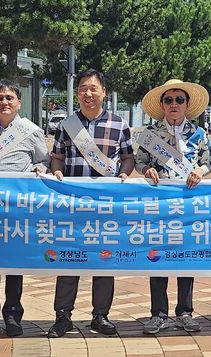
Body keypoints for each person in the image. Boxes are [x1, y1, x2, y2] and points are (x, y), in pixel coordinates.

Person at [47, 69, 135, 338]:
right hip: (73, 204)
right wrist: (56, 172)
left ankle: (101, 315)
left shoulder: (120, 124)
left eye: (93, 88)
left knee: (104, 258)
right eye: (83, 88)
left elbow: (129, 158)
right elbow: (57, 157)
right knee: (69, 258)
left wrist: (124, 173)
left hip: (106, 204)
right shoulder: (67, 125)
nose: (88, 93)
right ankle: (63, 316)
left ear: (104, 92)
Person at [0, 80, 49, 337]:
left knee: (15, 264)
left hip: (18, 209)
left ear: (18, 102)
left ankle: (13, 316)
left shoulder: (31, 130)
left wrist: (41, 168)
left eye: (9, 98)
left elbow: (43, 160)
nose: (4, 102)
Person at [135, 79, 211, 334]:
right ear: (162, 105)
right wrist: (146, 170)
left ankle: (185, 312)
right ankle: (158, 313)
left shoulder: (199, 134)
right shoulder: (150, 134)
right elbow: (139, 162)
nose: (174, 104)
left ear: (187, 104)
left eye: (179, 99)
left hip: (188, 204)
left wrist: (200, 170)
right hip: (159, 204)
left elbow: (208, 161)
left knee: (185, 256)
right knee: (157, 255)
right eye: (169, 100)